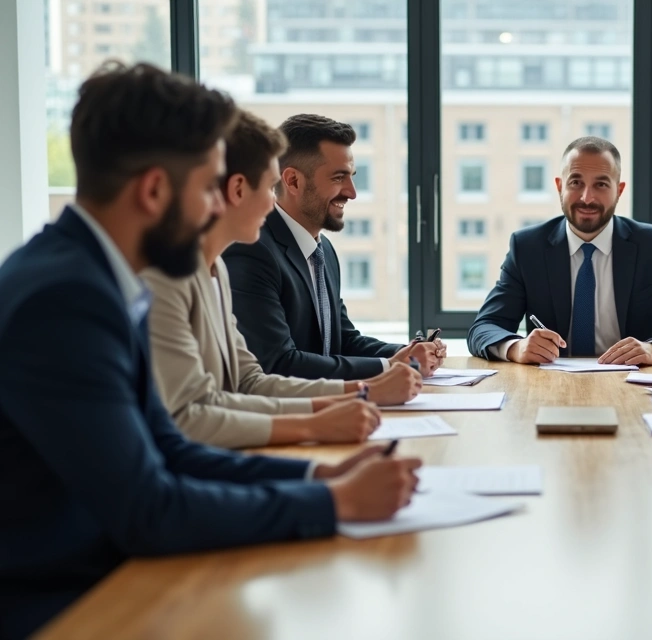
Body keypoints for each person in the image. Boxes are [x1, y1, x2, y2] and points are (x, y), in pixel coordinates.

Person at [0, 63, 421, 640]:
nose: (212, 210)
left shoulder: (97, 276)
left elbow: (168, 447)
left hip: (109, 574)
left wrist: (317, 481)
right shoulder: (67, 299)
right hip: (63, 604)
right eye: (205, 188)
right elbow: (149, 508)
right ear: (153, 191)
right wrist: (331, 506)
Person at [143, 109, 423, 450]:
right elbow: (193, 415)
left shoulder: (214, 269)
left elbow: (250, 383)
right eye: (269, 184)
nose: (272, 201)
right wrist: (318, 424)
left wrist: (356, 395)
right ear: (237, 189)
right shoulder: (173, 277)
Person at [223, 113, 444, 380]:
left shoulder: (323, 250)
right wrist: (390, 367)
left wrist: (409, 352)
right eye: (339, 178)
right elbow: (278, 363)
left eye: (351, 176)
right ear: (293, 181)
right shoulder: (252, 250)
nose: (352, 192)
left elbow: (343, 342)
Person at [467, 136, 652, 365]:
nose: (587, 198)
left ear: (619, 190)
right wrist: (515, 348)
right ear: (559, 186)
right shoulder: (527, 248)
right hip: (550, 388)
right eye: (576, 182)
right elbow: (484, 327)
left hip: (634, 387)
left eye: (601, 184)